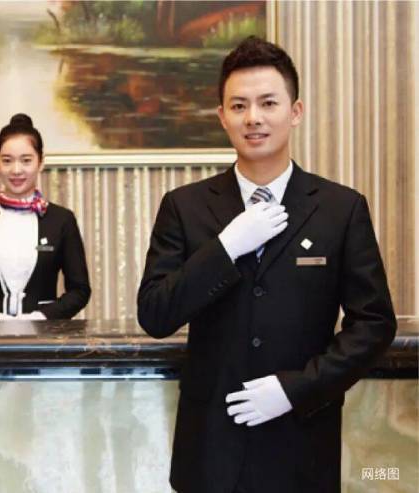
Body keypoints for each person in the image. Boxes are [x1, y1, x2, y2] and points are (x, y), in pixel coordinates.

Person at [137, 36, 396, 493]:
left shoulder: (341, 208)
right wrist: (226, 247)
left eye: (268, 103)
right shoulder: (184, 206)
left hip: (301, 444)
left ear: (295, 112)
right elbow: (156, 314)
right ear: (222, 116)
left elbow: (374, 324)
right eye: (239, 106)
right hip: (210, 450)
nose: (253, 117)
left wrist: (297, 388)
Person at [0, 114, 90, 320]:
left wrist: (40, 318)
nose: (16, 170)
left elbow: (79, 291)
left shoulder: (62, 220)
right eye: (7, 161)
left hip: (45, 333)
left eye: (26, 160)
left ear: (41, 162)